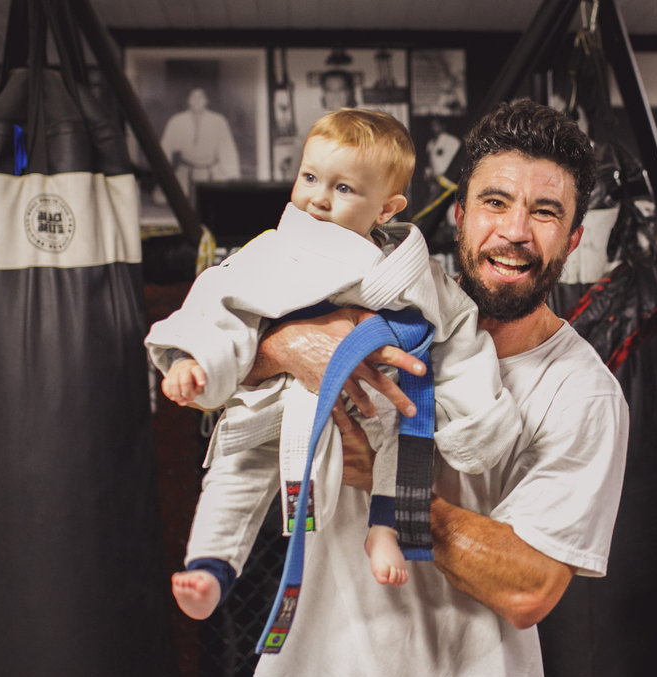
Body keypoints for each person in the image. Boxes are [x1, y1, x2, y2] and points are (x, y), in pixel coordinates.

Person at [216, 99, 630, 677]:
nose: (515, 231)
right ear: (460, 215)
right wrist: (286, 348)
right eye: (495, 202)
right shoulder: (378, 295)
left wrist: (390, 485)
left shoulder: (582, 393)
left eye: (545, 212)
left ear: (573, 237)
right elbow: (206, 354)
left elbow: (529, 586)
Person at [147, 109, 519, 607]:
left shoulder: (412, 268)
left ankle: (383, 528)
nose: (318, 198)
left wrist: (478, 421)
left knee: (408, 438)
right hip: (280, 401)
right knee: (236, 471)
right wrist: (194, 361)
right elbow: (220, 299)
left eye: (344, 189)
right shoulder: (273, 249)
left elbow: (459, 330)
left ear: (387, 209)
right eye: (310, 177)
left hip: (372, 402)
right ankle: (211, 567)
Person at [156, 87, 240, 204]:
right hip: (185, 171)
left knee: (218, 201)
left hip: (211, 172)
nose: (196, 100)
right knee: (166, 200)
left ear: (207, 100)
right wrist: (164, 175)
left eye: (200, 97)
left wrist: (231, 174)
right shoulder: (177, 120)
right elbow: (166, 147)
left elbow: (227, 149)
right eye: (193, 97)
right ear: (188, 100)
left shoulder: (218, 121)